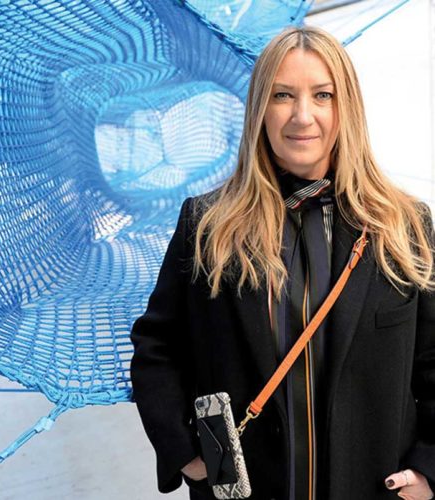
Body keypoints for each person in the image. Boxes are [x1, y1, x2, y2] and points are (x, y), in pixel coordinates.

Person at [130, 25, 435, 500]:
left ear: (347, 108)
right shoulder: (207, 225)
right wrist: (187, 453)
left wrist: (428, 469)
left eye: (322, 95)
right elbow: (158, 348)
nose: (302, 115)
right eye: (282, 95)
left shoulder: (404, 226)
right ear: (260, 109)